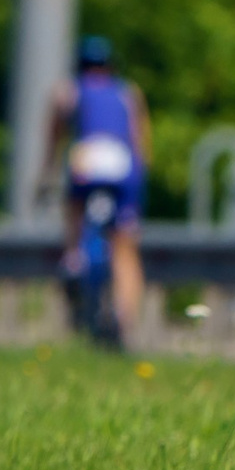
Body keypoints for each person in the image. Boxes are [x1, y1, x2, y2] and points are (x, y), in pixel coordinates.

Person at [47, 36, 151, 345]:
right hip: (124, 166)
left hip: (87, 162)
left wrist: (46, 174)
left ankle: (73, 257)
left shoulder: (68, 91)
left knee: (74, 207)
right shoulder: (130, 92)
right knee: (125, 247)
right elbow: (141, 143)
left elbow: (54, 138)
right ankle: (124, 320)